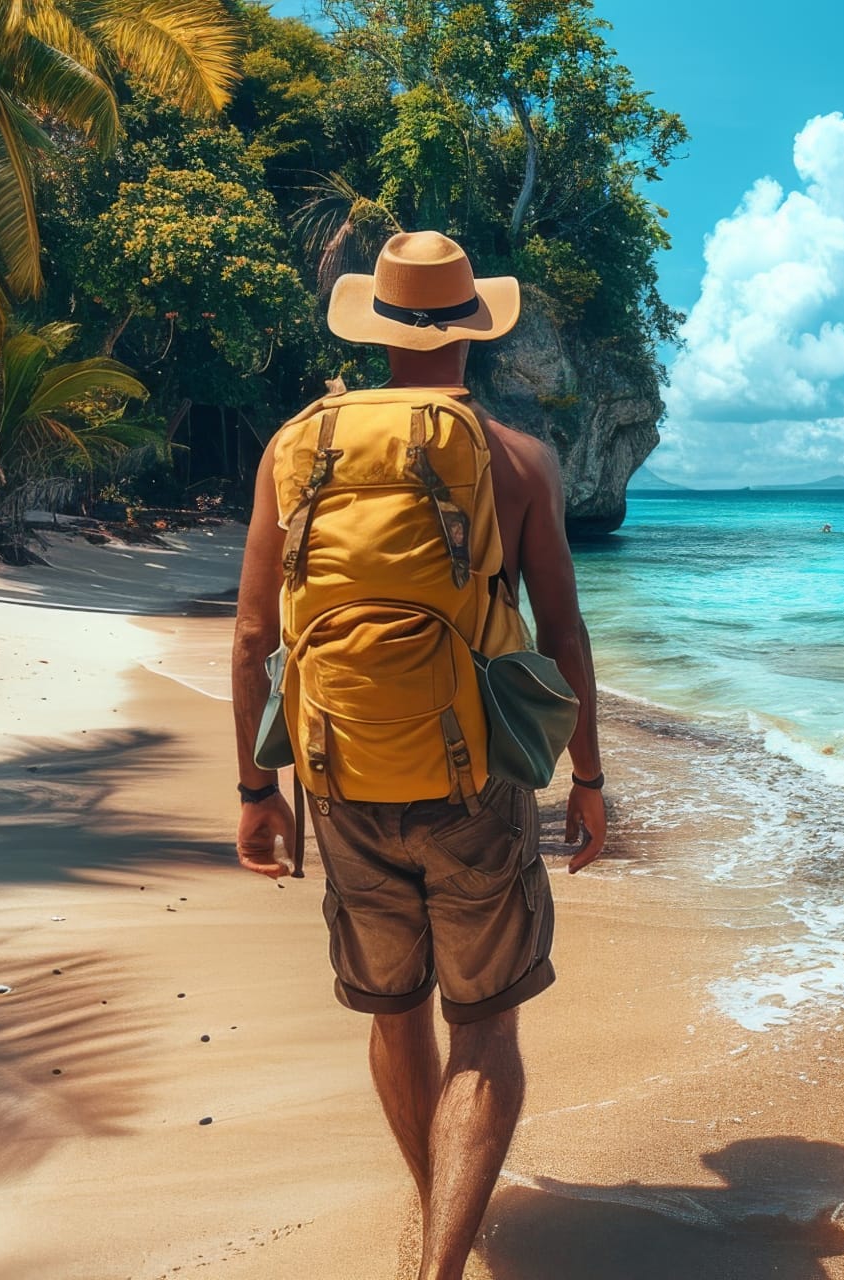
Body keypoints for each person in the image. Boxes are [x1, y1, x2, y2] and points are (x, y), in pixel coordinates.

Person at [229, 230, 608, 1280]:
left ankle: (435, 1208)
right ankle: (440, 1263)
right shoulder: (518, 457)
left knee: (393, 1012)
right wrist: (588, 776)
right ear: (473, 332)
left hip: (340, 772)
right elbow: (563, 636)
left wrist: (258, 789)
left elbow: (254, 636)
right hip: (475, 778)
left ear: (379, 327)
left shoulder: (294, 445)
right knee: (484, 1031)